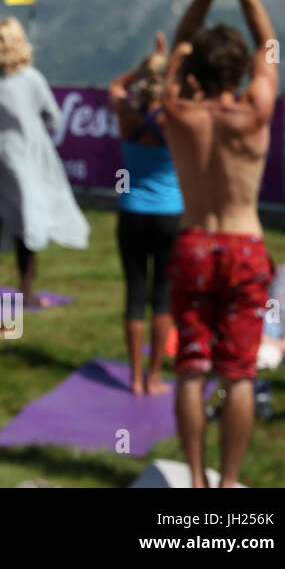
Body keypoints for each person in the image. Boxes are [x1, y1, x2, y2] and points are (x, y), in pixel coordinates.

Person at [162, 0, 277, 488]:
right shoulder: (254, 112)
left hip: (192, 243)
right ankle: (229, 484)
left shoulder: (178, 110)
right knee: (239, 374)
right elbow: (269, 43)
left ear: (196, 69)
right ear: (239, 73)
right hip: (244, 245)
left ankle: (196, 482)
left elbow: (181, 39)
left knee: (191, 369)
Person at [0, 17, 88, 308]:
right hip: (23, 162)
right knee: (26, 220)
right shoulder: (31, 79)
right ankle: (26, 290)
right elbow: (53, 116)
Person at [108, 32, 183, 395]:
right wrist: (169, 65)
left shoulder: (127, 114)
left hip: (132, 213)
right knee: (162, 297)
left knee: (135, 294)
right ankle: (154, 377)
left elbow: (115, 86)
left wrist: (144, 68)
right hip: (170, 215)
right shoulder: (175, 119)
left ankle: (135, 376)